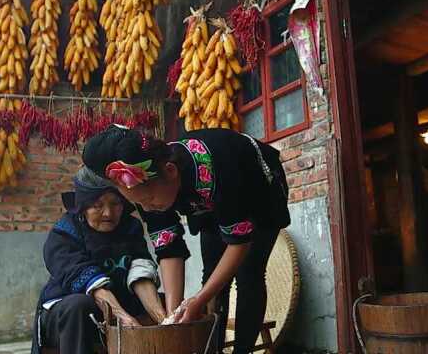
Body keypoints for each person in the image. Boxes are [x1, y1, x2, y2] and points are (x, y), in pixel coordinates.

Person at [82, 126, 290, 354]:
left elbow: (239, 244)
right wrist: (173, 315)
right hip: (203, 200)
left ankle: (243, 350)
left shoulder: (219, 168)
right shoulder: (143, 186)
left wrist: (198, 300)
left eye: (149, 199)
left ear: (171, 171)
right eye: (139, 203)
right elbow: (169, 248)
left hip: (257, 189)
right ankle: (212, 349)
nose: (147, 207)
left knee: (248, 273)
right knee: (211, 273)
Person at [31, 167, 166, 354]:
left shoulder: (130, 227)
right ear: (83, 207)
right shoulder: (65, 232)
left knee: (167, 303)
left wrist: (165, 320)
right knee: (80, 305)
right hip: (68, 316)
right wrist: (124, 319)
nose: (108, 213)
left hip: (118, 303)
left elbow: (140, 272)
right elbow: (92, 285)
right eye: (97, 205)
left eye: (115, 203)